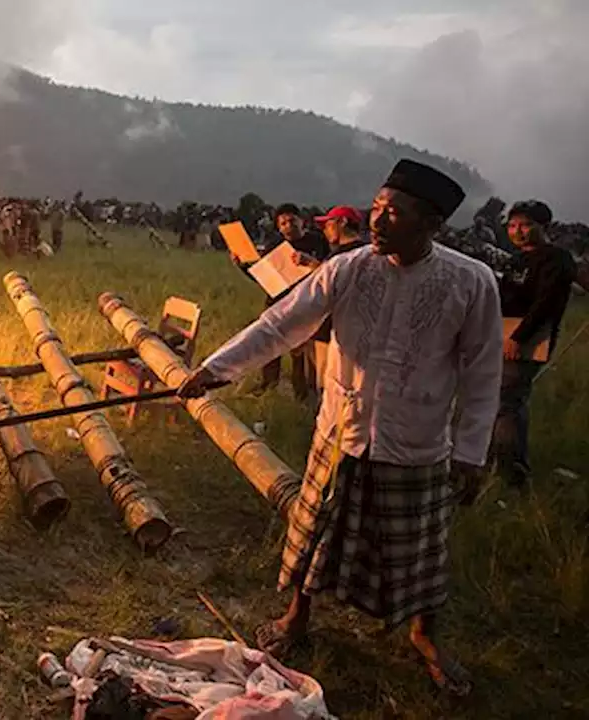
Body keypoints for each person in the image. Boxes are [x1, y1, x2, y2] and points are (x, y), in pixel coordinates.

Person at [178, 159, 502, 696]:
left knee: (417, 550)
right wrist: (216, 369)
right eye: (376, 207)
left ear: (432, 225)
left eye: (393, 213)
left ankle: (425, 634)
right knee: (313, 535)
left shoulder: (470, 282)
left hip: (416, 441)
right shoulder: (349, 268)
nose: (377, 220)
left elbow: (484, 373)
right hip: (343, 431)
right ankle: (296, 615)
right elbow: (281, 323)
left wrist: (471, 451)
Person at [493, 200, 577, 486]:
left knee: (506, 401)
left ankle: (511, 471)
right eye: (513, 225)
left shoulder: (556, 258)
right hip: (503, 335)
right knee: (508, 401)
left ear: (545, 227)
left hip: (528, 340)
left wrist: (520, 337)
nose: (518, 231)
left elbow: (547, 302)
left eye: (527, 225)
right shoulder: (517, 260)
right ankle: (505, 460)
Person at [235, 204, 330, 401]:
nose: (288, 226)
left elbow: (328, 270)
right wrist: (242, 267)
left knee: (301, 354)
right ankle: (268, 387)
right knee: (270, 347)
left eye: (292, 221)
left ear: (301, 221)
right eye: (283, 223)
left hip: (305, 304)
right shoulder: (275, 245)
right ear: (278, 227)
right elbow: (263, 276)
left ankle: (302, 395)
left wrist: (310, 262)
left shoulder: (317, 241)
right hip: (277, 302)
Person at [302, 206, 369, 385]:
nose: (324, 230)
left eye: (328, 224)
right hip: (358, 334)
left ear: (342, 222)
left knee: (326, 384)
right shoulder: (369, 253)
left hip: (331, 332)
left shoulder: (341, 256)